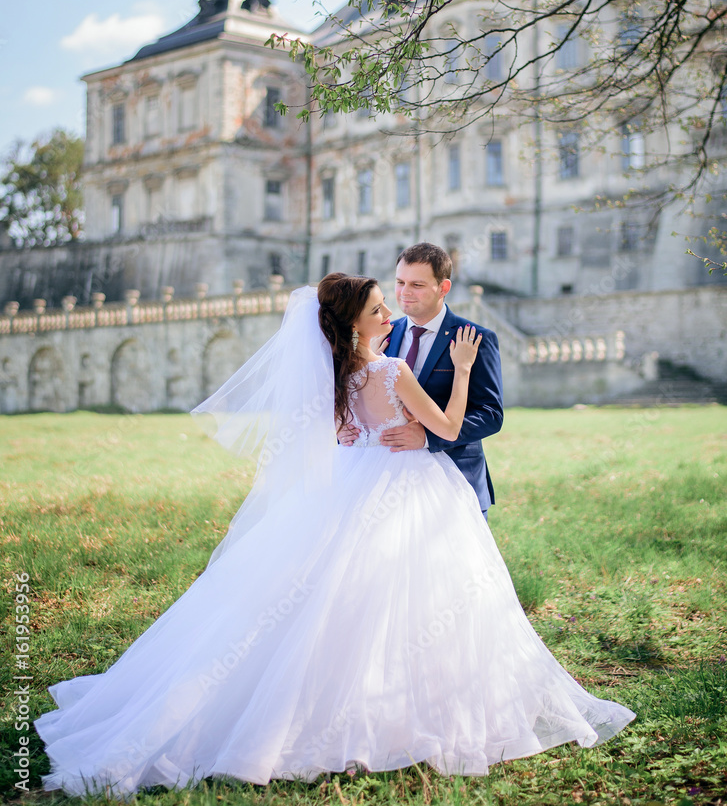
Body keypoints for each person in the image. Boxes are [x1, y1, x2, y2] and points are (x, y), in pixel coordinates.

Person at [34, 275, 634, 798]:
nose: (391, 312)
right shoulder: (392, 368)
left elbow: (345, 433)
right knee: (421, 593)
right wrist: (466, 371)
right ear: (356, 321)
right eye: (379, 307)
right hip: (410, 482)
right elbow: (448, 425)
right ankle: (395, 707)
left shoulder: (342, 372)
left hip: (357, 478)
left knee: (343, 590)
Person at [339, 243, 503, 517]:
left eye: (417, 284)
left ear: (443, 287)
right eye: (400, 282)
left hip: (457, 480)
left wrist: (428, 437)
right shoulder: (381, 334)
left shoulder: (474, 339)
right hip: (386, 484)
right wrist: (342, 429)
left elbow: (490, 414)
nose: (404, 293)